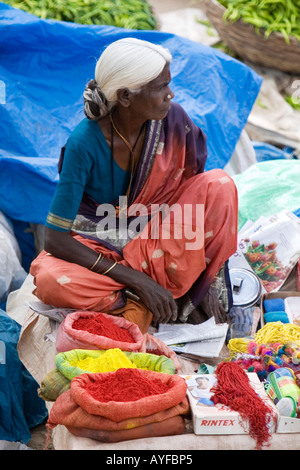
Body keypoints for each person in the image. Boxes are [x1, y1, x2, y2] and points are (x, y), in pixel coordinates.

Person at [30, 37, 238, 333]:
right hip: (104, 243)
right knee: (53, 280)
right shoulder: (84, 143)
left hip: (158, 239)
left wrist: (202, 271)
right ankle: (143, 297)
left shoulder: (174, 121)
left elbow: (192, 200)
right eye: (160, 87)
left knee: (220, 184)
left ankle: (181, 294)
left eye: (169, 83)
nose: (171, 94)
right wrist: (135, 278)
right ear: (126, 96)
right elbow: (55, 239)